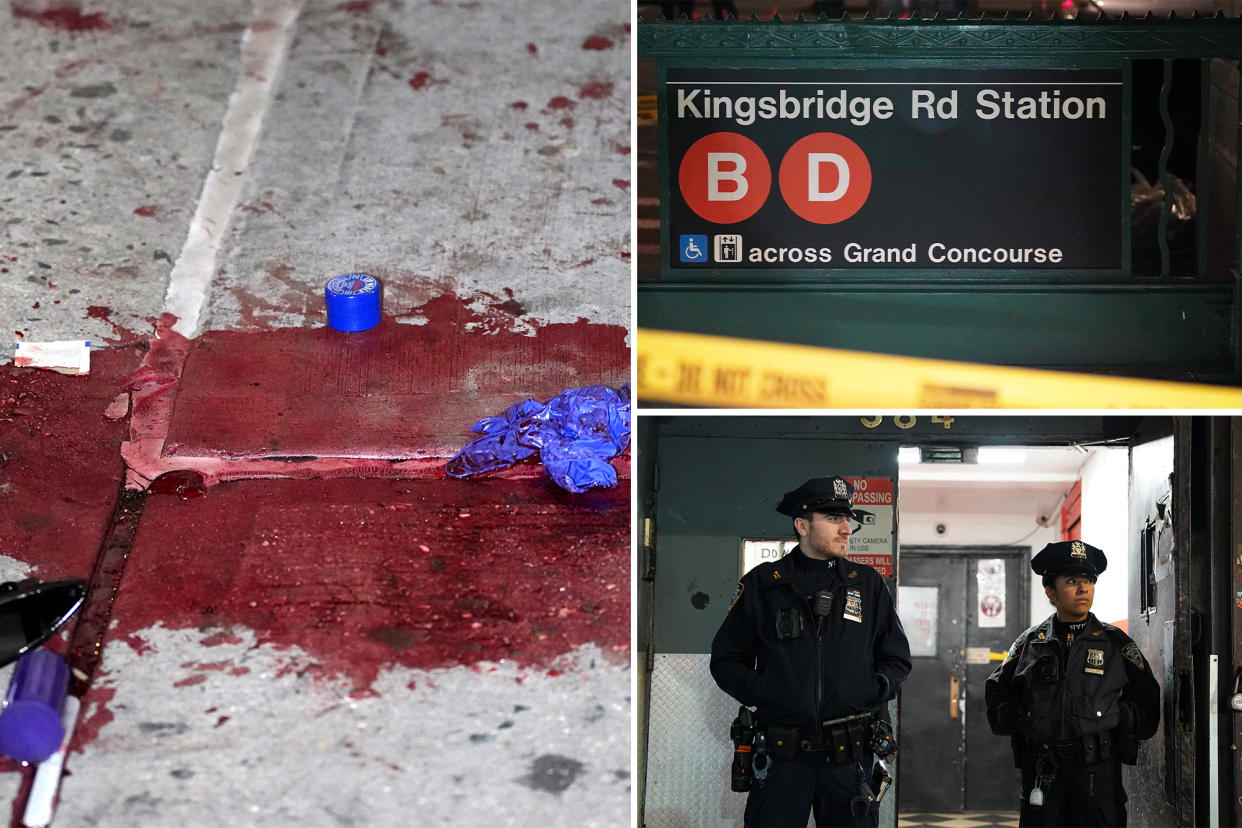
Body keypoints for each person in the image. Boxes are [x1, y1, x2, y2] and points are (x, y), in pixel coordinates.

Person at [711, 476, 912, 827]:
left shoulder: (867, 585)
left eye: (847, 519)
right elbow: (727, 660)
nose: (847, 529)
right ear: (802, 525)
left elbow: (897, 659)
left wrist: (870, 691)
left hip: (851, 762)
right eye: (834, 519)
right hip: (782, 760)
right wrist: (769, 693)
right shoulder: (763, 585)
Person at [985, 540, 1160, 827]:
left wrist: (1113, 715)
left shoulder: (1116, 644)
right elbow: (997, 697)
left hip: (1097, 772)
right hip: (1043, 770)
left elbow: (1148, 707)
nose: (1083, 588)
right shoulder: (1029, 643)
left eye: (1089, 580)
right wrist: (1026, 717)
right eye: (1071, 581)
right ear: (1050, 591)